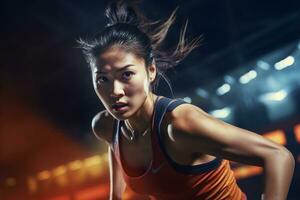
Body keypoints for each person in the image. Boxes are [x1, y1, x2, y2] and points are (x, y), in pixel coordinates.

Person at [78, 0, 295, 199]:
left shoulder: (181, 124)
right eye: (102, 79)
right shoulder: (107, 127)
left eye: (126, 74)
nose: (115, 90)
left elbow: (277, 155)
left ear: (150, 71)